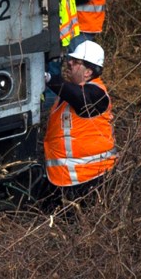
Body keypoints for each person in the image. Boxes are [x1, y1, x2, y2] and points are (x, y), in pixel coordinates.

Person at [43, 40, 117, 202]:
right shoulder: (70, 93)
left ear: (88, 72)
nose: (69, 63)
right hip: (67, 178)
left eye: (76, 62)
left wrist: (48, 78)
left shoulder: (97, 95)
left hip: (90, 179)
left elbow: (79, 97)